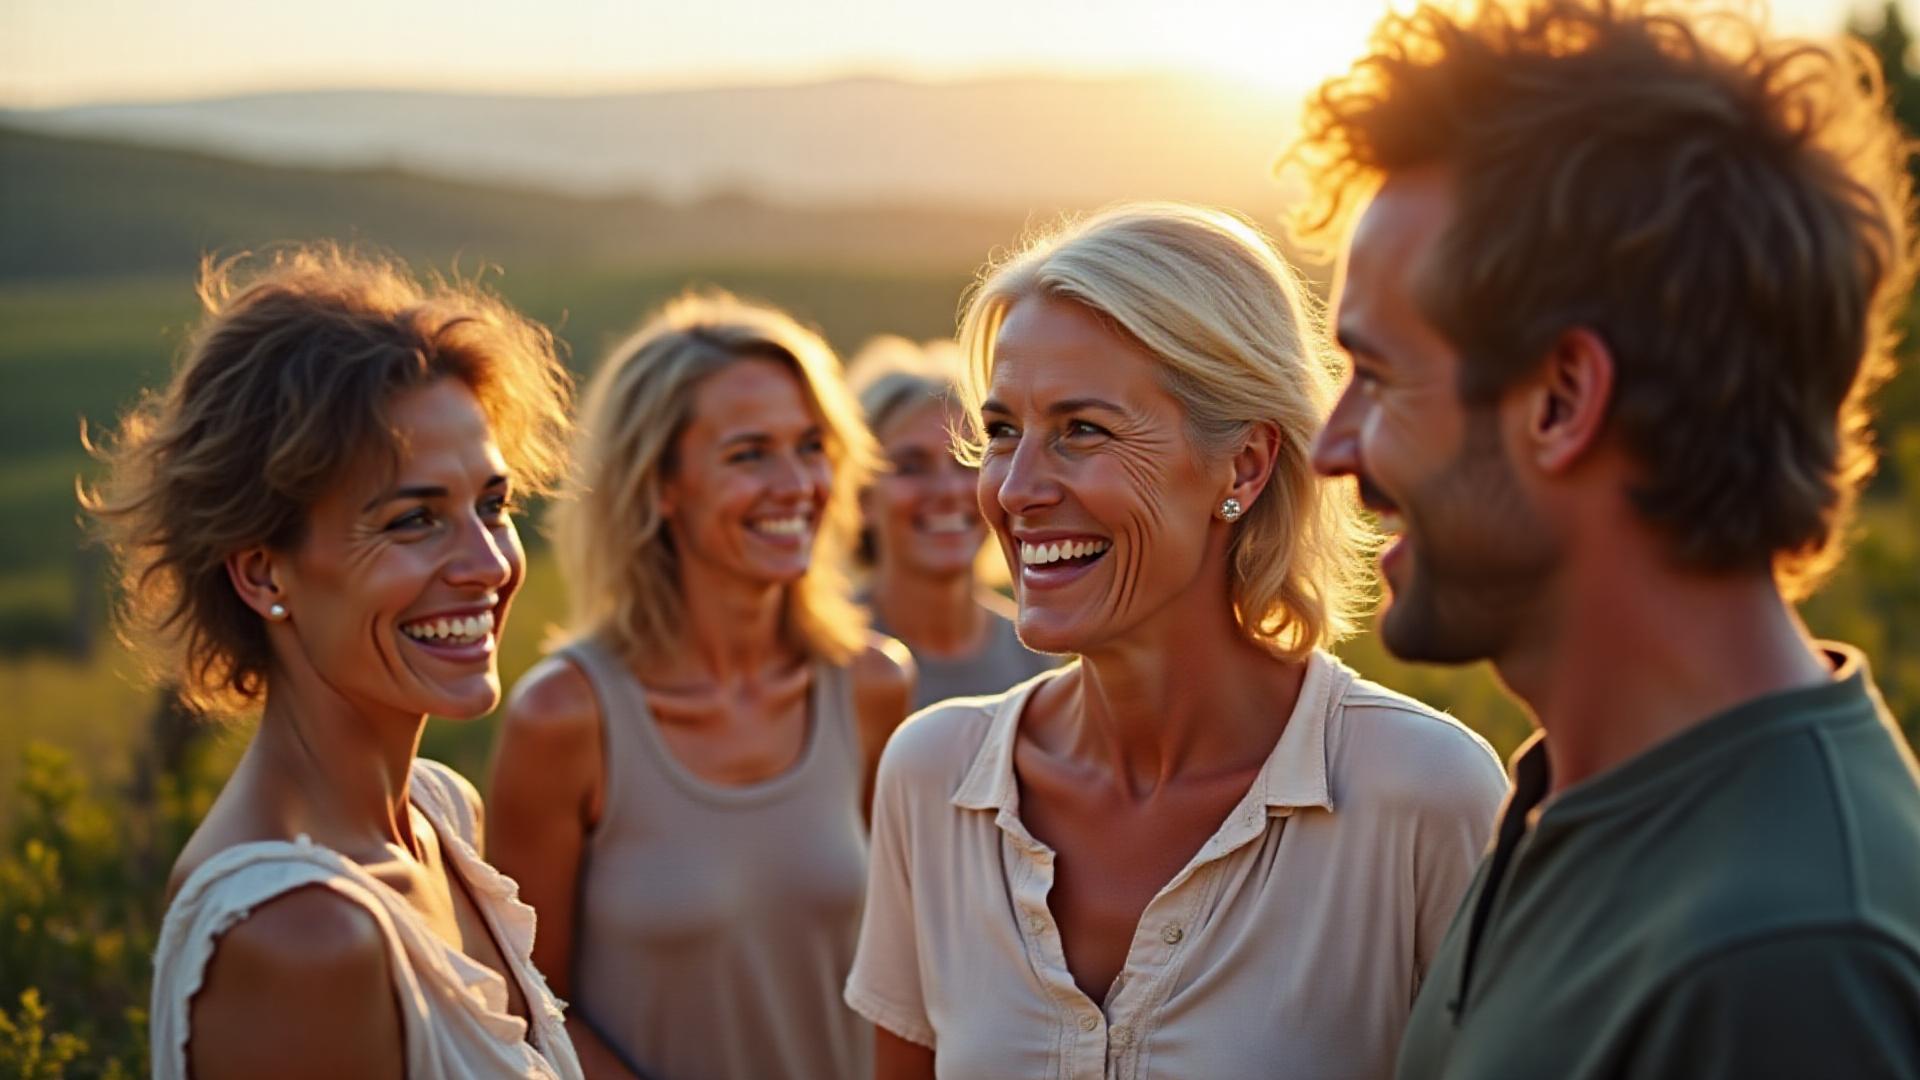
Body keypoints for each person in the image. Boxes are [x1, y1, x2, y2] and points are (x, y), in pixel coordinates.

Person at [1288, 1, 1920, 1075]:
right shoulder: (1573, 805)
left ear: (1562, 399)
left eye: (1379, 378)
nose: (1332, 449)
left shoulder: (1787, 963)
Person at [845, 203, 1509, 1080]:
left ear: (1244, 465)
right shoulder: (934, 777)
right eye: (1004, 431)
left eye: (1084, 430)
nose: (1016, 489)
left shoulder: (1423, 795)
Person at [88, 245, 583, 1079]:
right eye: (412, 521)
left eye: (491, 505)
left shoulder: (438, 814)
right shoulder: (300, 934)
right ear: (262, 571)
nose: (491, 564)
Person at [488, 291, 914, 1080]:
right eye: (750, 454)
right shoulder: (565, 718)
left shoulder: (873, 687)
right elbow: (525, 1005)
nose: (796, 485)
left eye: (811, 445)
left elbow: (906, 975)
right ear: (661, 485)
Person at [849, 335, 1054, 709]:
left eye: (968, 460)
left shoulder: (1041, 654)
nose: (947, 490)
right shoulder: (822, 655)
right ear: (861, 496)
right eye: (911, 467)